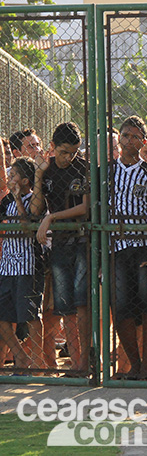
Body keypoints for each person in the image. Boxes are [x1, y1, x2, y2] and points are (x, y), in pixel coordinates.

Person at [109, 115, 147, 379]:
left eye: (135, 136)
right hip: (117, 248)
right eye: (125, 135)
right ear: (119, 139)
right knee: (120, 306)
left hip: (146, 247)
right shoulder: (107, 173)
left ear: (143, 141)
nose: (129, 140)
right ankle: (134, 365)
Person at [29, 122, 90, 373]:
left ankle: (84, 364)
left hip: (82, 240)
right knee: (64, 306)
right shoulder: (48, 170)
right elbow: (35, 210)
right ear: (52, 147)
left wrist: (52, 217)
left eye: (74, 151)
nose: (69, 157)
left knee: (82, 302)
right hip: (60, 244)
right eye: (64, 151)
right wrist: (38, 175)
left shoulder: (83, 167)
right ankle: (75, 364)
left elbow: (85, 208)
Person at [0, 157, 42, 369]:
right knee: (3, 316)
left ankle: (38, 362)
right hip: (7, 266)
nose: (10, 179)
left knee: (31, 315)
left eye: (13, 176)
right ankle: (20, 356)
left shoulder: (34, 199)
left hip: (27, 266)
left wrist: (17, 200)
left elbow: (27, 226)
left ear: (25, 181)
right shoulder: (5, 201)